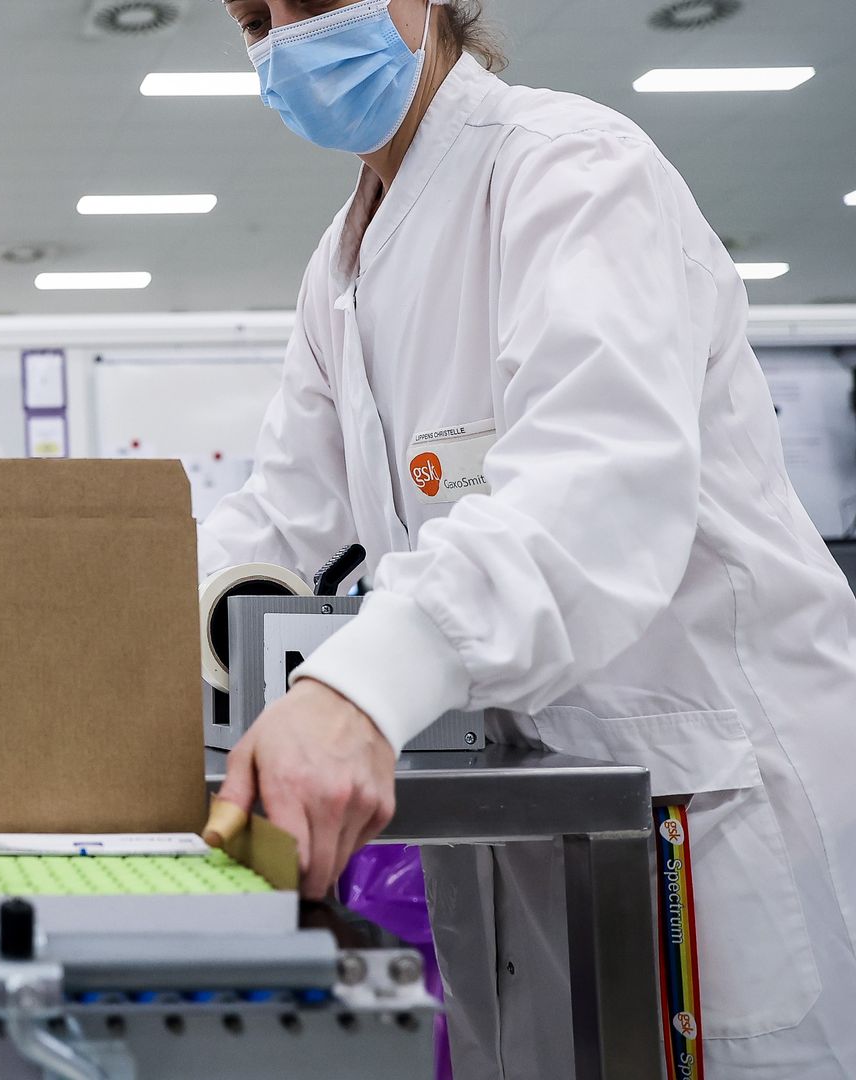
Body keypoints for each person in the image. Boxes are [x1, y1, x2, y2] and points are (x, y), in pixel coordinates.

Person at [199, 2, 856, 1076]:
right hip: (530, 842)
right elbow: (278, 513)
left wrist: (362, 686)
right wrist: (127, 640)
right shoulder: (342, 267)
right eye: (253, 17)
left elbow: (594, 489)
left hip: (698, 819)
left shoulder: (572, 170)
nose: (281, 40)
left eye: (308, 2)